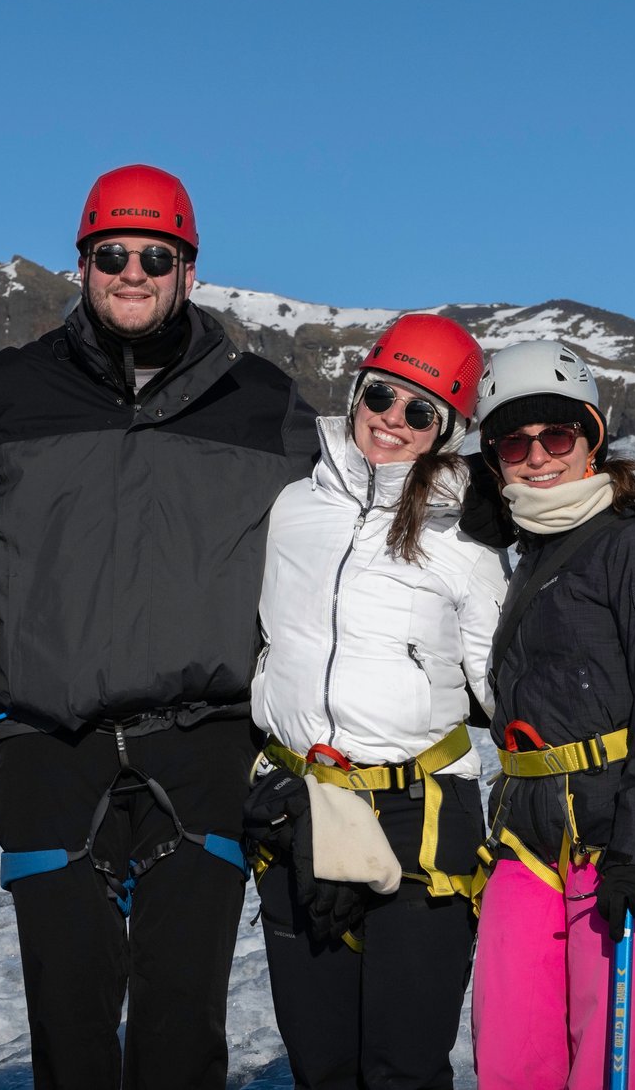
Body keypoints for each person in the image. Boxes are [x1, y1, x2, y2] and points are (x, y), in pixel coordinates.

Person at [0, 162, 318, 1089]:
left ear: (190, 268)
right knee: (69, 1024)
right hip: (47, 748)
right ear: (83, 264)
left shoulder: (265, 403)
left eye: (155, 255)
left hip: (206, 745)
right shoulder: (2, 391)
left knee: (183, 1025)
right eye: (113, 255)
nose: (133, 272)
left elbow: (347, 536)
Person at [246, 313, 507, 1090]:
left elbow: (503, 680)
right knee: (322, 1064)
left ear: (445, 431)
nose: (393, 420)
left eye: (420, 411)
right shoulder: (291, 509)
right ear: (357, 391)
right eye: (381, 396)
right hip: (300, 804)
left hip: (419, 813)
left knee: (405, 1065)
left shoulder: (467, 537)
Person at [467, 341, 635, 1090]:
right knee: (511, 1060)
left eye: (557, 434)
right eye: (515, 442)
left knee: (608, 1067)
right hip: (527, 831)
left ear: (591, 436)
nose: (539, 456)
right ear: (495, 457)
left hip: (627, 834)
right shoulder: (528, 551)